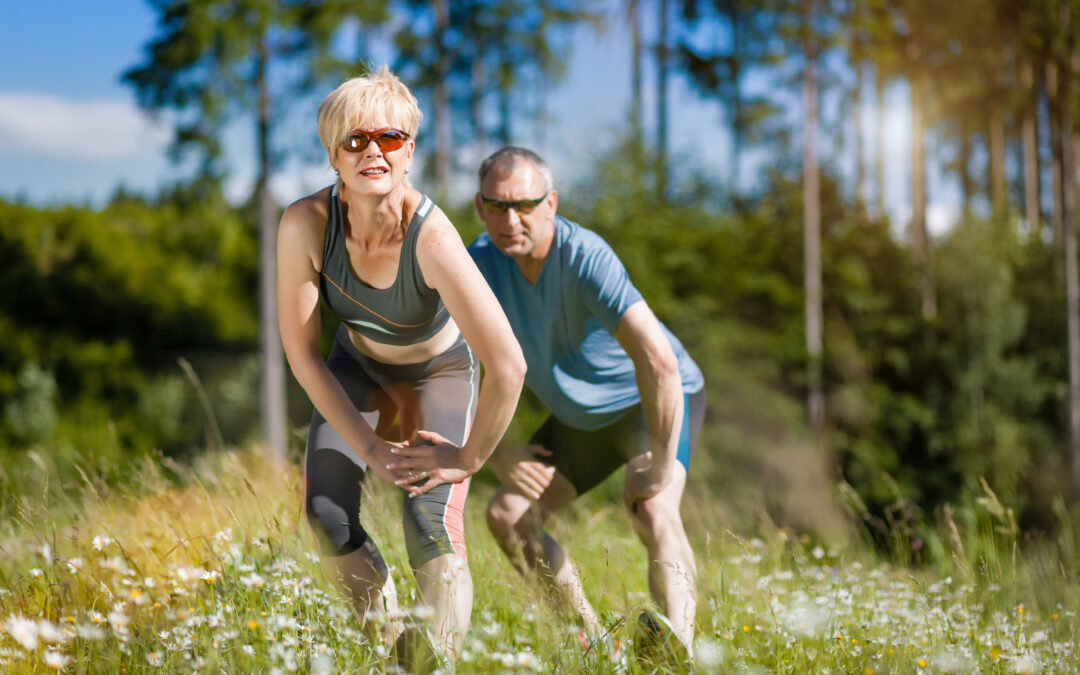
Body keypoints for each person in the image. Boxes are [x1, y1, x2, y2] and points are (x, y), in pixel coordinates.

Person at [275, 67, 525, 661]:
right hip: (357, 368)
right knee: (327, 514)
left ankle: (436, 658)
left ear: (408, 150)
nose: (373, 152)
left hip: (437, 372)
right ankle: (390, 651)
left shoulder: (432, 238)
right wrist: (368, 446)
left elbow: (508, 365)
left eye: (388, 138)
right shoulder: (305, 225)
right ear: (332, 155)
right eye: (354, 141)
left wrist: (467, 460)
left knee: (427, 519)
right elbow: (304, 356)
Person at [467, 146, 705, 655]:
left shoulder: (585, 258)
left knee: (654, 508)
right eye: (498, 206)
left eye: (525, 205)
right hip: (580, 415)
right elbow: (451, 364)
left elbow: (658, 362)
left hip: (651, 399)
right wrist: (497, 449)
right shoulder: (477, 266)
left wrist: (662, 466)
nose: (512, 219)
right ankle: (598, 648)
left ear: (550, 203)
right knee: (509, 516)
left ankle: (676, 647)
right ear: (480, 208)